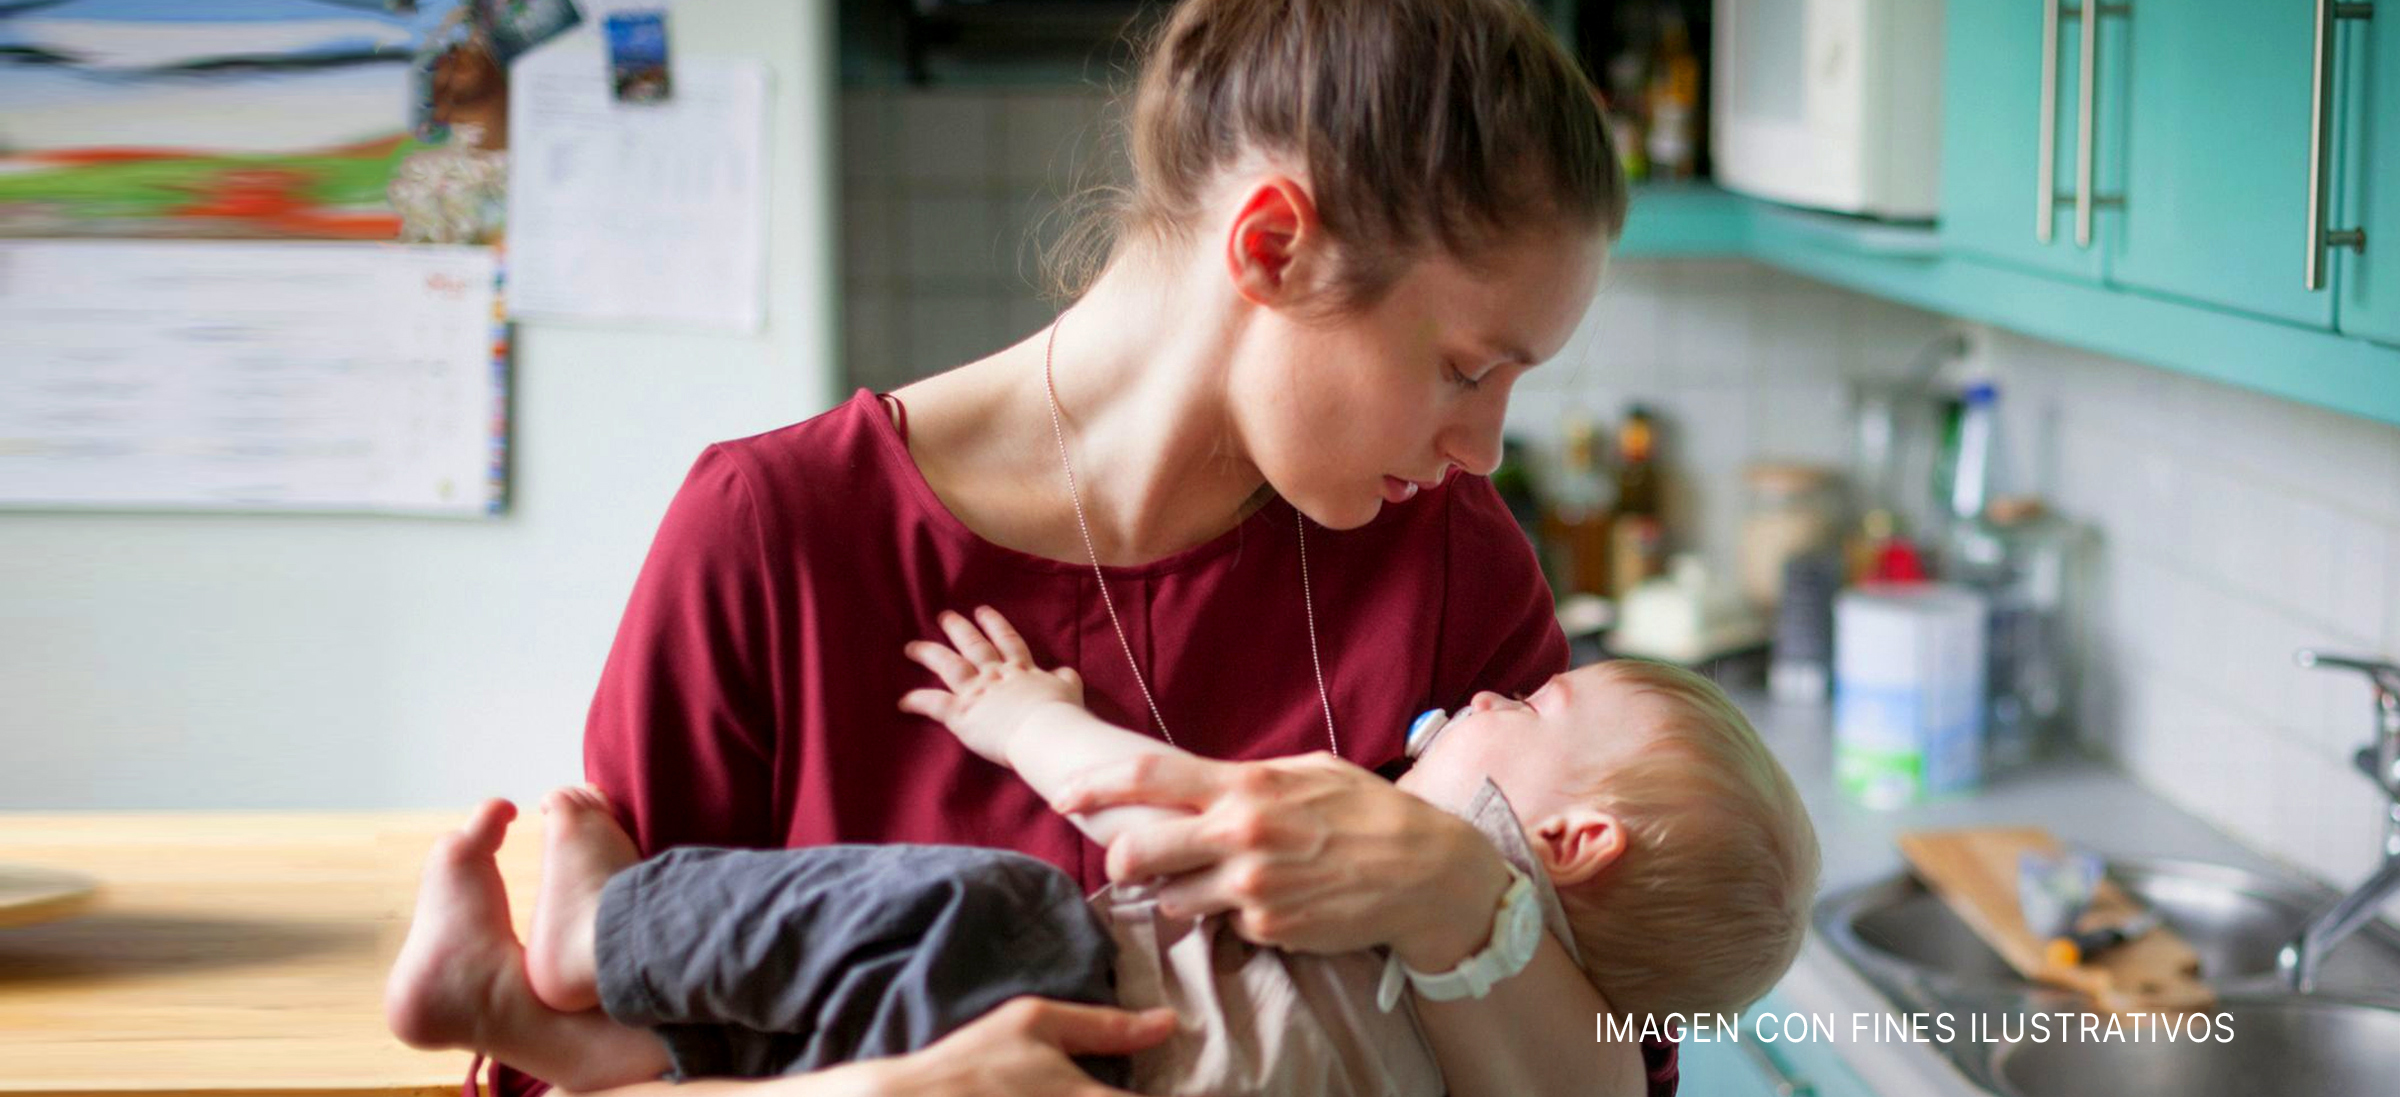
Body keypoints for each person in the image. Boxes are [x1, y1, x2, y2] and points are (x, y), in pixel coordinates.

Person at [470, 0, 1678, 1092]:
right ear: (1272, 248)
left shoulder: (1450, 558)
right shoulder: (776, 535)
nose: (1483, 448)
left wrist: (1461, 896)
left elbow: (1628, 1067)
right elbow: (571, 1051)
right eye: (1467, 368)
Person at [386, 608, 1817, 1095]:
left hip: (1097, 1020)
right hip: (1099, 1066)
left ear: (1570, 840)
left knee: (969, 902)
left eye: (1536, 706)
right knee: (810, 1047)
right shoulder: (1519, 1030)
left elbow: (1151, 806)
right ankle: (534, 1027)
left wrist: (1024, 722)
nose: (1502, 688)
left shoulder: (1418, 845)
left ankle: (599, 939)